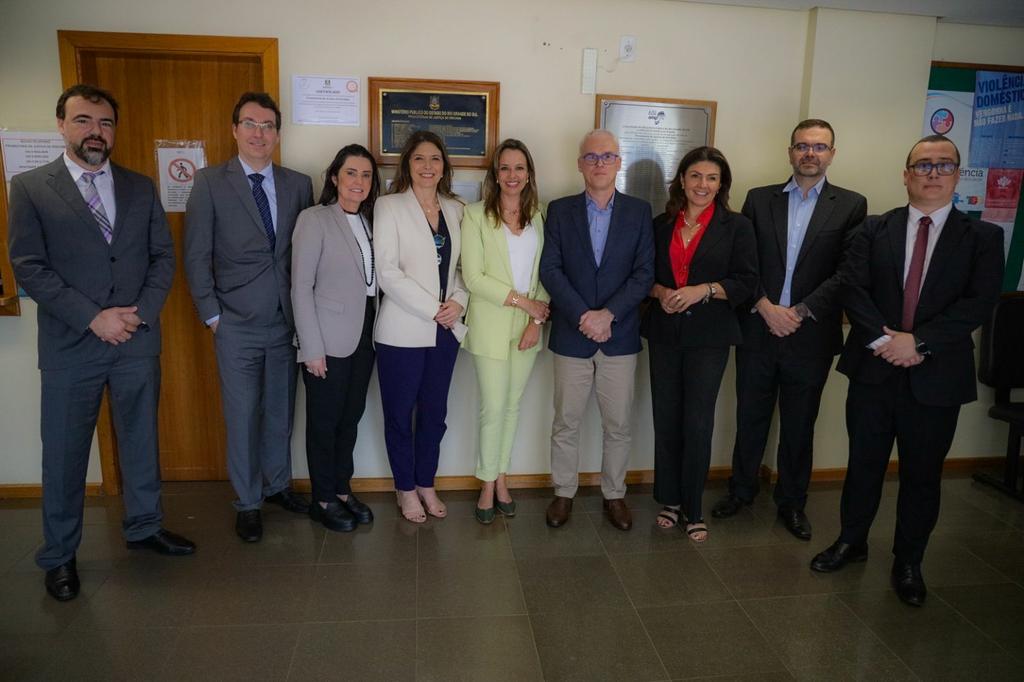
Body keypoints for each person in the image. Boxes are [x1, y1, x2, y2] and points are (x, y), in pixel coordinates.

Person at [8, 84, 195, 602]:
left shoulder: (139, 187)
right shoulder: (30, 188)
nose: (96, 131)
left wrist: (139, 315)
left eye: (105, 123)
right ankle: (59, 555)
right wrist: (93, 318)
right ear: (62, 125)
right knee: (65, 454)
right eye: (84, 120)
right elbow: (29, 266)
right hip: (72, 345)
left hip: (135, 339)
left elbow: (163, 257)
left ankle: (144, 527)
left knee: (140, 441)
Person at [810, 135, 1003, 607]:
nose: (933, 173)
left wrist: (918, 342)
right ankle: (851, 541)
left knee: (922, 474)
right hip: (874, 370)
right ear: (906, 174)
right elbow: (852, 288)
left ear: (957, 175)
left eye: (944, 165)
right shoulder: (874, 229)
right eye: (923, 165)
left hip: (936, 377)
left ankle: (909, 561)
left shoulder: (983, 238)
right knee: (863, 465)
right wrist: (885, 341)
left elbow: (978, 303)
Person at [713, 120, 868, 541]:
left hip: (810, 335)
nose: (810, 153)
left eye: (819, 146)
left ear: (832, 153)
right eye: (802, 145)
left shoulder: (851, 204)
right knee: (750, 417)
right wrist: (765, 307)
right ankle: (741, 491)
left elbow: (848, 272)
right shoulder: (759, 199)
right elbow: (743, 263)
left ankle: (792, 503)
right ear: (790, 152)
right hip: (758, 327)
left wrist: (798, 312)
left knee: (800, 425)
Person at [184, 92, 314, 542]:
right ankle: (248, 501)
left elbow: (303, 253)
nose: (259, 133)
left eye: (268, 125)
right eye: (250, 124)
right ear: (235, 130)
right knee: (242, 415)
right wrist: (213, 316)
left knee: (281, 411)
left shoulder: (299, 184)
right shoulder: (209, 182)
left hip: (286, 321)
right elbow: (196, 255)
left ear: (278, 133)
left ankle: (277, 486)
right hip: (235, 323)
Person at [539, 129, 654, 532]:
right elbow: (550, 269)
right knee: (565, 422)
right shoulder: (560, 210)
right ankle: (563, 492)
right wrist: (584, 316)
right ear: (580, 164)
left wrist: (608, 315)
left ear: (619, 162)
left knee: (618, 425)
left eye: (607, 156)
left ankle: (614, 494)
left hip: (620, 337)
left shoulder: (639, 212)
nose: (600, 163)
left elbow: (644, 273)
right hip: (572, 336)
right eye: (591, 157)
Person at [643, 146, 757, 542]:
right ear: (682, 180)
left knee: (697, 421)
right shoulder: (661, 224)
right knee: (666, 418)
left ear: (721, 184)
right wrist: (660, 291)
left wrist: (703, 290)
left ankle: (693, 507)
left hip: (710, 337)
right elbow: (644, 274)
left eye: (711, 178)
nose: (702, 185)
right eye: (695, 176)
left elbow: (747, 282)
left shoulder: (737, 226)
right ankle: (670, 500)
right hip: (664, 333)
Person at [374, 130, 468, 524]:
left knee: (434, 414)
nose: (427, 166)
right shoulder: (389, 205)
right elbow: (387, 272)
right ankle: (405, 487)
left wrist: (458, 302)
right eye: (419, 159)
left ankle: (426, 482)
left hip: (445, 332)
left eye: (434, 159)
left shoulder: (457, 209)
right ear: (407, 165)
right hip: (401, 332)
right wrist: (434, 309)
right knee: (400, 415)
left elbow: (463, 268)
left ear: (444, 166)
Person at [291, 144, 380, 532]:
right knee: (324, 422)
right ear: (334, 177)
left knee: (350, 418)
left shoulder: (370, 221)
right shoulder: (315, 219)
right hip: (326, 340)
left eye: (366, 175)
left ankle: (342, 490)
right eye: (351, 173)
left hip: (365, 335)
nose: (359, 181)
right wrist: (311, 348)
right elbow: (300, 286)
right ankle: (322, 499)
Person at [461, 139, 550, 524]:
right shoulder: (475, 215)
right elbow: (473, 277)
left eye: (519, 168)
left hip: (528, 327)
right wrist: (523, 304)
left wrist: (535, 321)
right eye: (505, 168)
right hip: (491, 323)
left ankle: (502, 480)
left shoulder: (540, 215)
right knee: (493, 407)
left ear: (529, 174)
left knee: (512, 406)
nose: (512, 175)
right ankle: (486, 484)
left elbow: (547, 272)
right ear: (495, 175)